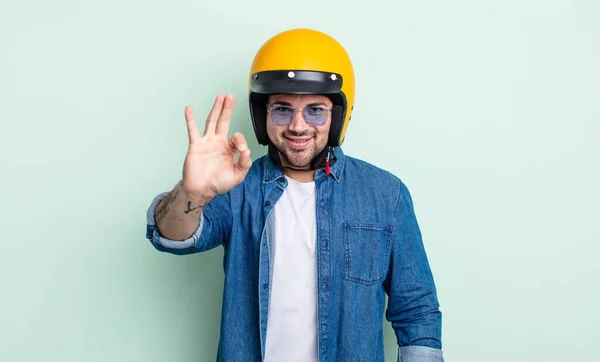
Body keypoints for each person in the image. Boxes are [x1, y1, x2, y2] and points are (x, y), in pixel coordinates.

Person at [145, 28, 444, 362]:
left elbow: (417, 309)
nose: (298, 126)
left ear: (338, 115)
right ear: (263, 115)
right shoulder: (237, 188)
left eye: (315, 109)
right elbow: (173, 238)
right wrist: (193, 192)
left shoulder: (386, 194)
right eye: (282, 109)